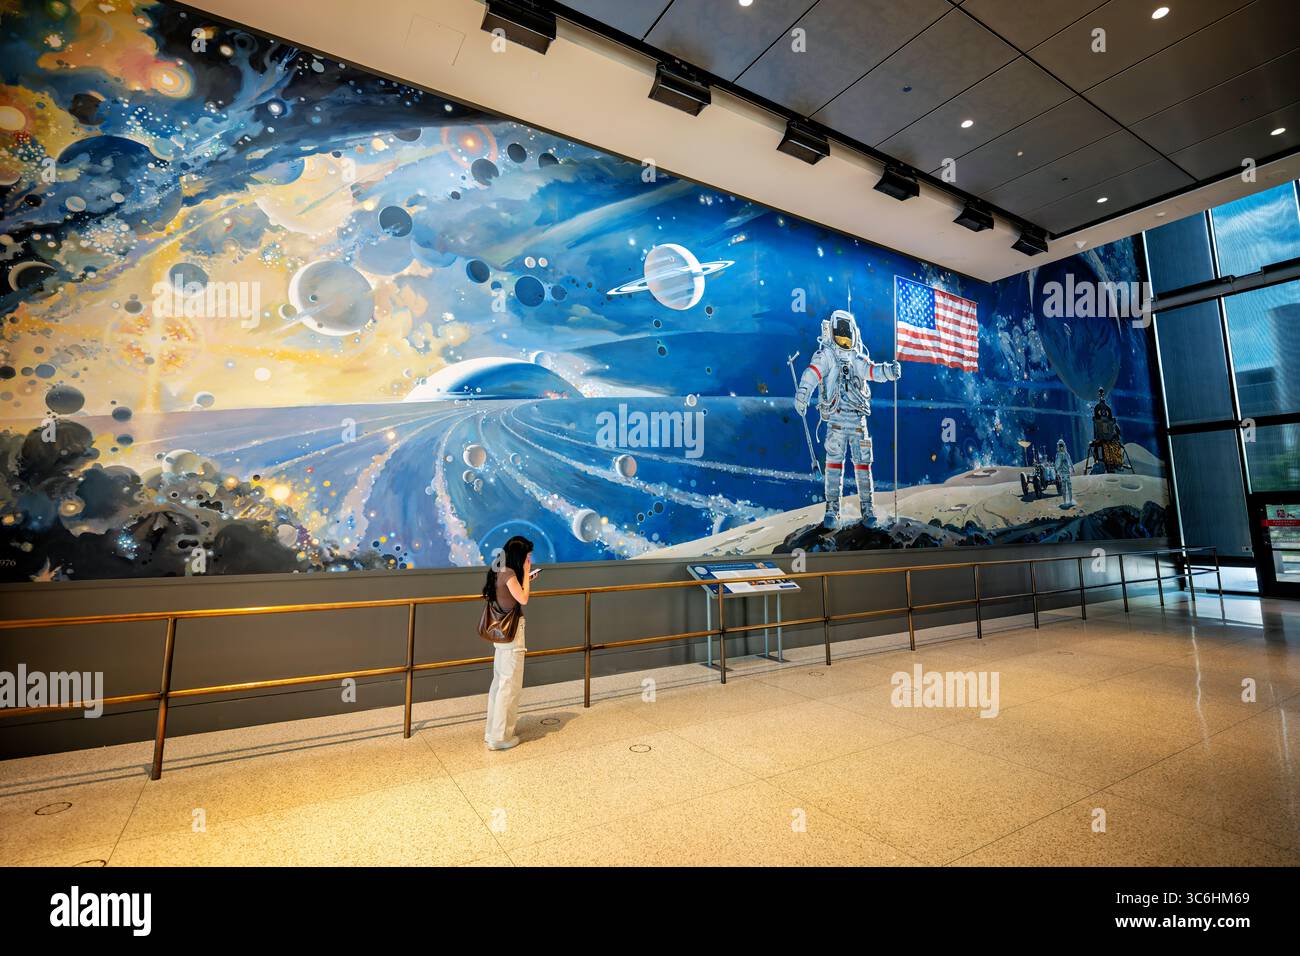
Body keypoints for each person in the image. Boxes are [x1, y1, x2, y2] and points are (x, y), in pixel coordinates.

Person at [794, 309, 901, 528]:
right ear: (832, 333)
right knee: (834, 466)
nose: (844, 339)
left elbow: (873, 372)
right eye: (840, 334)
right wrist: (803, 395)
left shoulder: (856, 359)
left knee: (863, 466)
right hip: (836, 420)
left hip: (857, 421)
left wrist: (889, 372)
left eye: (846, 334)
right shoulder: (827, 356)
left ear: (853, 334)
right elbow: (812, 373)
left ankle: (868, 510)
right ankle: (832, 510)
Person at [482, 535, 538, 751]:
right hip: (512, 635)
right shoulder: (511, 573)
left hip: (501, 638)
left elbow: (509, 596)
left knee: (499, 684)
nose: (529, 559)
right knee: (510, 686)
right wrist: (525, 574)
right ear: (519, 555)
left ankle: (492, 732)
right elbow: (523, 599)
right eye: (527, 555)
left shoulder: (498, 570)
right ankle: (500, 737)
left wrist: (523, 578)